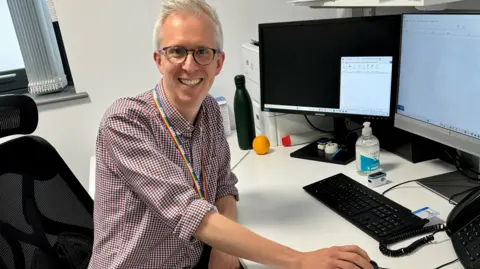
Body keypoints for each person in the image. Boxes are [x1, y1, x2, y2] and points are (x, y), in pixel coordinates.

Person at [89, 0, 374, 268]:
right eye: (177, 51)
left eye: (202, 51)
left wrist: (224, 246)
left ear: (219, 63)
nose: (190, 65)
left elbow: (224, 186)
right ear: (159, 60)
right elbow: (191, 214)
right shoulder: (125, 121)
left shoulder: (210, 111)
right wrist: (300, 260)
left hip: (194, 257)